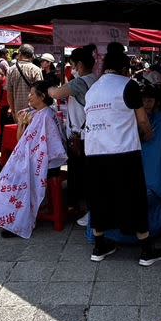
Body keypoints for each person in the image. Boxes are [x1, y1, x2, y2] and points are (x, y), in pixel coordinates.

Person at [83, 47, 161, 266]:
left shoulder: (92, 90)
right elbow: (143, 120)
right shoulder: (128, 85)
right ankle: (146, 250)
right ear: (125, 68)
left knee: (100, 198)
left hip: (94, 152)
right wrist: (148, 134)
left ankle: (99, 247)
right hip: (123, 152)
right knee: (134, 197)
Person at [0, 81, 67, 238]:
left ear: (41, 97)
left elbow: (40, 147)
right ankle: (12, 217)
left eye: (32, 94)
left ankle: (17, 220)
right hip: (39, 159)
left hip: (47, 162)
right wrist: (21, 123)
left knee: (13, 178)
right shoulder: (37, 114)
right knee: (6, 175)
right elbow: (23, 140)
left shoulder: (46, 115)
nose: (29, 96)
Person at [48, 44, 97, 225]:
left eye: (73, 65)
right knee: (86, 174)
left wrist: (47, 87)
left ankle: (87, 212)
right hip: (91, 134)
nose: (73, 69)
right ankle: (85, 209)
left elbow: (55, 93)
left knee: (81, 175)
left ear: (79, 64)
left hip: (81, 136)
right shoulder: (95, 79)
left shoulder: (79, 83)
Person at [6, 44, 43, 116]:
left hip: (18, 110)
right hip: (34, 109)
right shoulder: (36, 70)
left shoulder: (11, 70)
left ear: (19, 54)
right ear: (32, 56)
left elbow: (9, 93)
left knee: (20, 127)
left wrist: (12, 110)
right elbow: (40, 91)